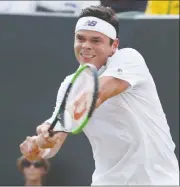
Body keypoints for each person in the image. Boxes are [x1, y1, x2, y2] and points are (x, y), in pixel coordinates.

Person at [19, 5, 179, 185]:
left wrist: (52, 124)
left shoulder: (129, 59)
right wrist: (40, 146)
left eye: (96, 40)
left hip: (157, 181)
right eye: (80, 38)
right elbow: (56, 140)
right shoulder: (69, 85)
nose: (86, 46)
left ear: (114, 46)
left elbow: (97, 93)